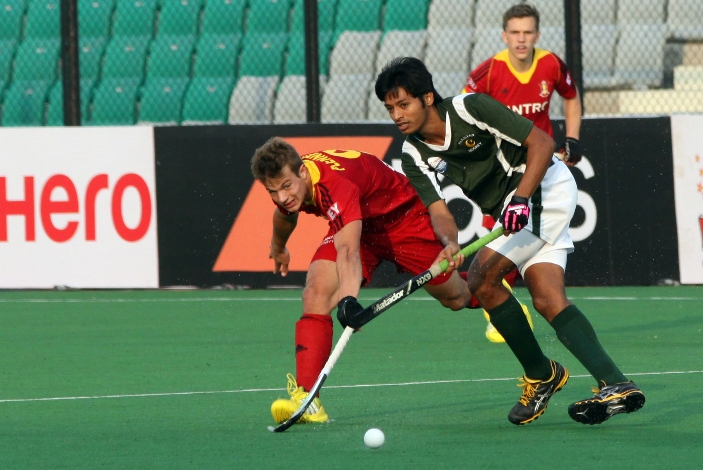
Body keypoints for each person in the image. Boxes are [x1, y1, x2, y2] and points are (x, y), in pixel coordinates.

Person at [366, 56, 645, 425]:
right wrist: (450, 244)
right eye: (390, 108)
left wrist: (521, 198)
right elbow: (438, 209)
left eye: (404, 104)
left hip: (545, 187)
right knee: (547, 299)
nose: (397, 115)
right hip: (513, 214)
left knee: (482, 277)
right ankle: (615, 382)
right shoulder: (412, 152)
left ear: (428, 98)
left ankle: (540, 374)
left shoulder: (471, 107)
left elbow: (543, 144)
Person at [251, 138, 474, 425]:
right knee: (316, 294)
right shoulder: (291, 181)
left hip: (402, 219)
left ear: (303, 173)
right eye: (273, 191)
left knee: (456, 298)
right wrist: (278, 247)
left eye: (286, 187)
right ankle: (307, 400)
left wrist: (347, 301)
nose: (282, 197)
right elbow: (284, 216)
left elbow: (347, 252)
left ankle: (488, 284)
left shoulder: (333, 186)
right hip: (359, 226)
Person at [462, 3, 583, 343]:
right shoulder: (488, 72)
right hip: (502, 172)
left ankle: (524, 304)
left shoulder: (550, 64)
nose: (521, 39)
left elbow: (571, 97)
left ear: (537, 35)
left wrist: (572, 138)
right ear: (504, 36)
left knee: (524, 236)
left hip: (541, 171)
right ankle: (498, 309)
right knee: (498, 237)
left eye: (527, 32)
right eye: (515, 32)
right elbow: (464, 113)